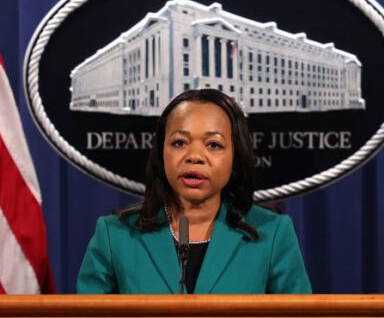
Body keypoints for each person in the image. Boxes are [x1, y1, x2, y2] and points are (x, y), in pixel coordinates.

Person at [77, 89, 312, 294]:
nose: (194, 156)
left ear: (235, 156)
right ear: (161, 152)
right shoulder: (115, 236)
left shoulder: (272, 235)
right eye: (180, 142)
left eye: (214, 145)